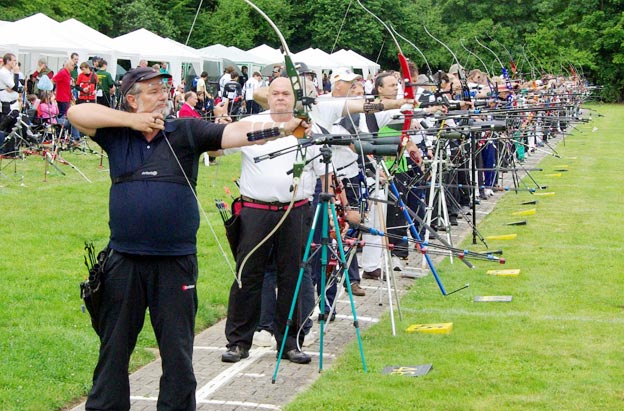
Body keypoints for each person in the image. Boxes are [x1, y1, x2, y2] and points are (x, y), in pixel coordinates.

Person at [67, 66, 307, 411]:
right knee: (114, 347)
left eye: (164, 88)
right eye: (152, 91)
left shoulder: (186, 130)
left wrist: (281, 127)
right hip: (124, 260)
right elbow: (76, 112)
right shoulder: (116, 133)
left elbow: (234, 132)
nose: (162, 94)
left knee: (177, 351)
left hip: (174, 262)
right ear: (131, 100)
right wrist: (132, 122)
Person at [221, 77, 324, 365]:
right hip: (255, 211)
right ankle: (239, 341)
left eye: (286, 93)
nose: (280, 98)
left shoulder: (309, 128)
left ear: (295, 98)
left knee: (292, 276)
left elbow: (323, 168)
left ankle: (290, 342)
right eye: (275, 93)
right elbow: (218, 146)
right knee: (247, 275)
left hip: (296, 211)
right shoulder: (252, 124)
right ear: (268, 95)